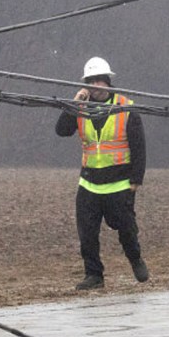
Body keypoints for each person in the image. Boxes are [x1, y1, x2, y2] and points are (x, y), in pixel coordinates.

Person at [55, 56, 149, 290]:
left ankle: (136, 260)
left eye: (100, 81)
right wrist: (73, 104)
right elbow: (61, 130)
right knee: (87, 234)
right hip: (89, 183)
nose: (96, 86)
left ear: (108, 82)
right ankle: (94, 275)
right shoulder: (81, 108)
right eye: (91, 82)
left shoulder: (126, 107)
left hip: (119, 184)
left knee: (126, 230)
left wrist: (136, 180)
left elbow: (139, 146)